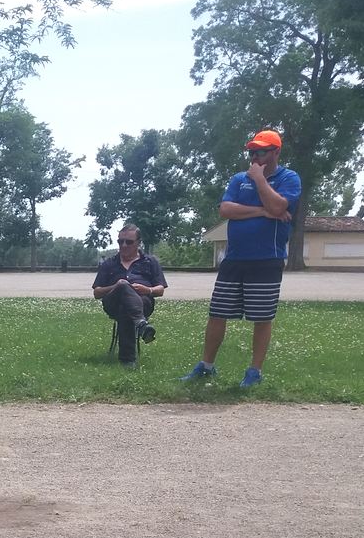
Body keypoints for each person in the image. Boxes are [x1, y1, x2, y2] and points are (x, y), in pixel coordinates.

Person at [182, 129, 301, 388]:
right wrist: (263, 210)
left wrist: (259, 180)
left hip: (267, 259)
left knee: (262, 317)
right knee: (217, 313)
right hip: (235, 258)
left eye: (261, 151)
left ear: (276, 152)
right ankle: (206, 366)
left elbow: (280, 208)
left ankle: (254, 372)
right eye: (252, 152)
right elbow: (226, 209)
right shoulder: (238, 179)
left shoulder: (289, 178)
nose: (255, 156)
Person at [92, 224, 166, 367]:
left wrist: (147, 289)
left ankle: (128, 361)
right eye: (120, 241)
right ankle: (141, 324)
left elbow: (160, 289)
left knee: (125, 308)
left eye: (129, 242)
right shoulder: (109, 264)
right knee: (123, 286)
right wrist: (116, 286)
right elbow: (97, 292)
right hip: (112, 302)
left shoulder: (150, 262)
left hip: (143, 302)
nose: (124, 245)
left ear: (138, 243)